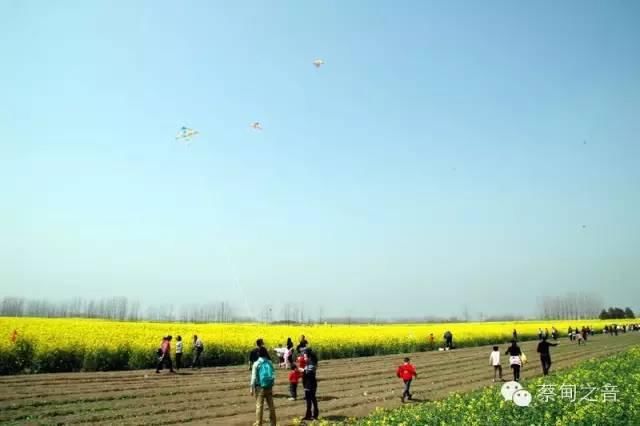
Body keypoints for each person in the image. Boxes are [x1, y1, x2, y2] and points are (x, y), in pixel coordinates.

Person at [250, 346, 277, 426]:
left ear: (258, 354)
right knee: (271, 406)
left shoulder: (256, 363)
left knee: (259, 406)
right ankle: (273, 423)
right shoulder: (269, 362)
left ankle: (259, 423)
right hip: (269, 386)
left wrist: (251, 388)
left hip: (259, 387)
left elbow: (253, 377)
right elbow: (273, 374)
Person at [299, 348, 319, 421]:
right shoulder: (308, 364)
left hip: (311, 384)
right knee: (309, 400)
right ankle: (308, 415)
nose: (304, 358)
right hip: (308, 384)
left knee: (312, 399)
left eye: (305, 357)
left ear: (309, 357)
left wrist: (303, 370)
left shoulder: (312, 364)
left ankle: (315, 416)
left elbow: (309, 373)